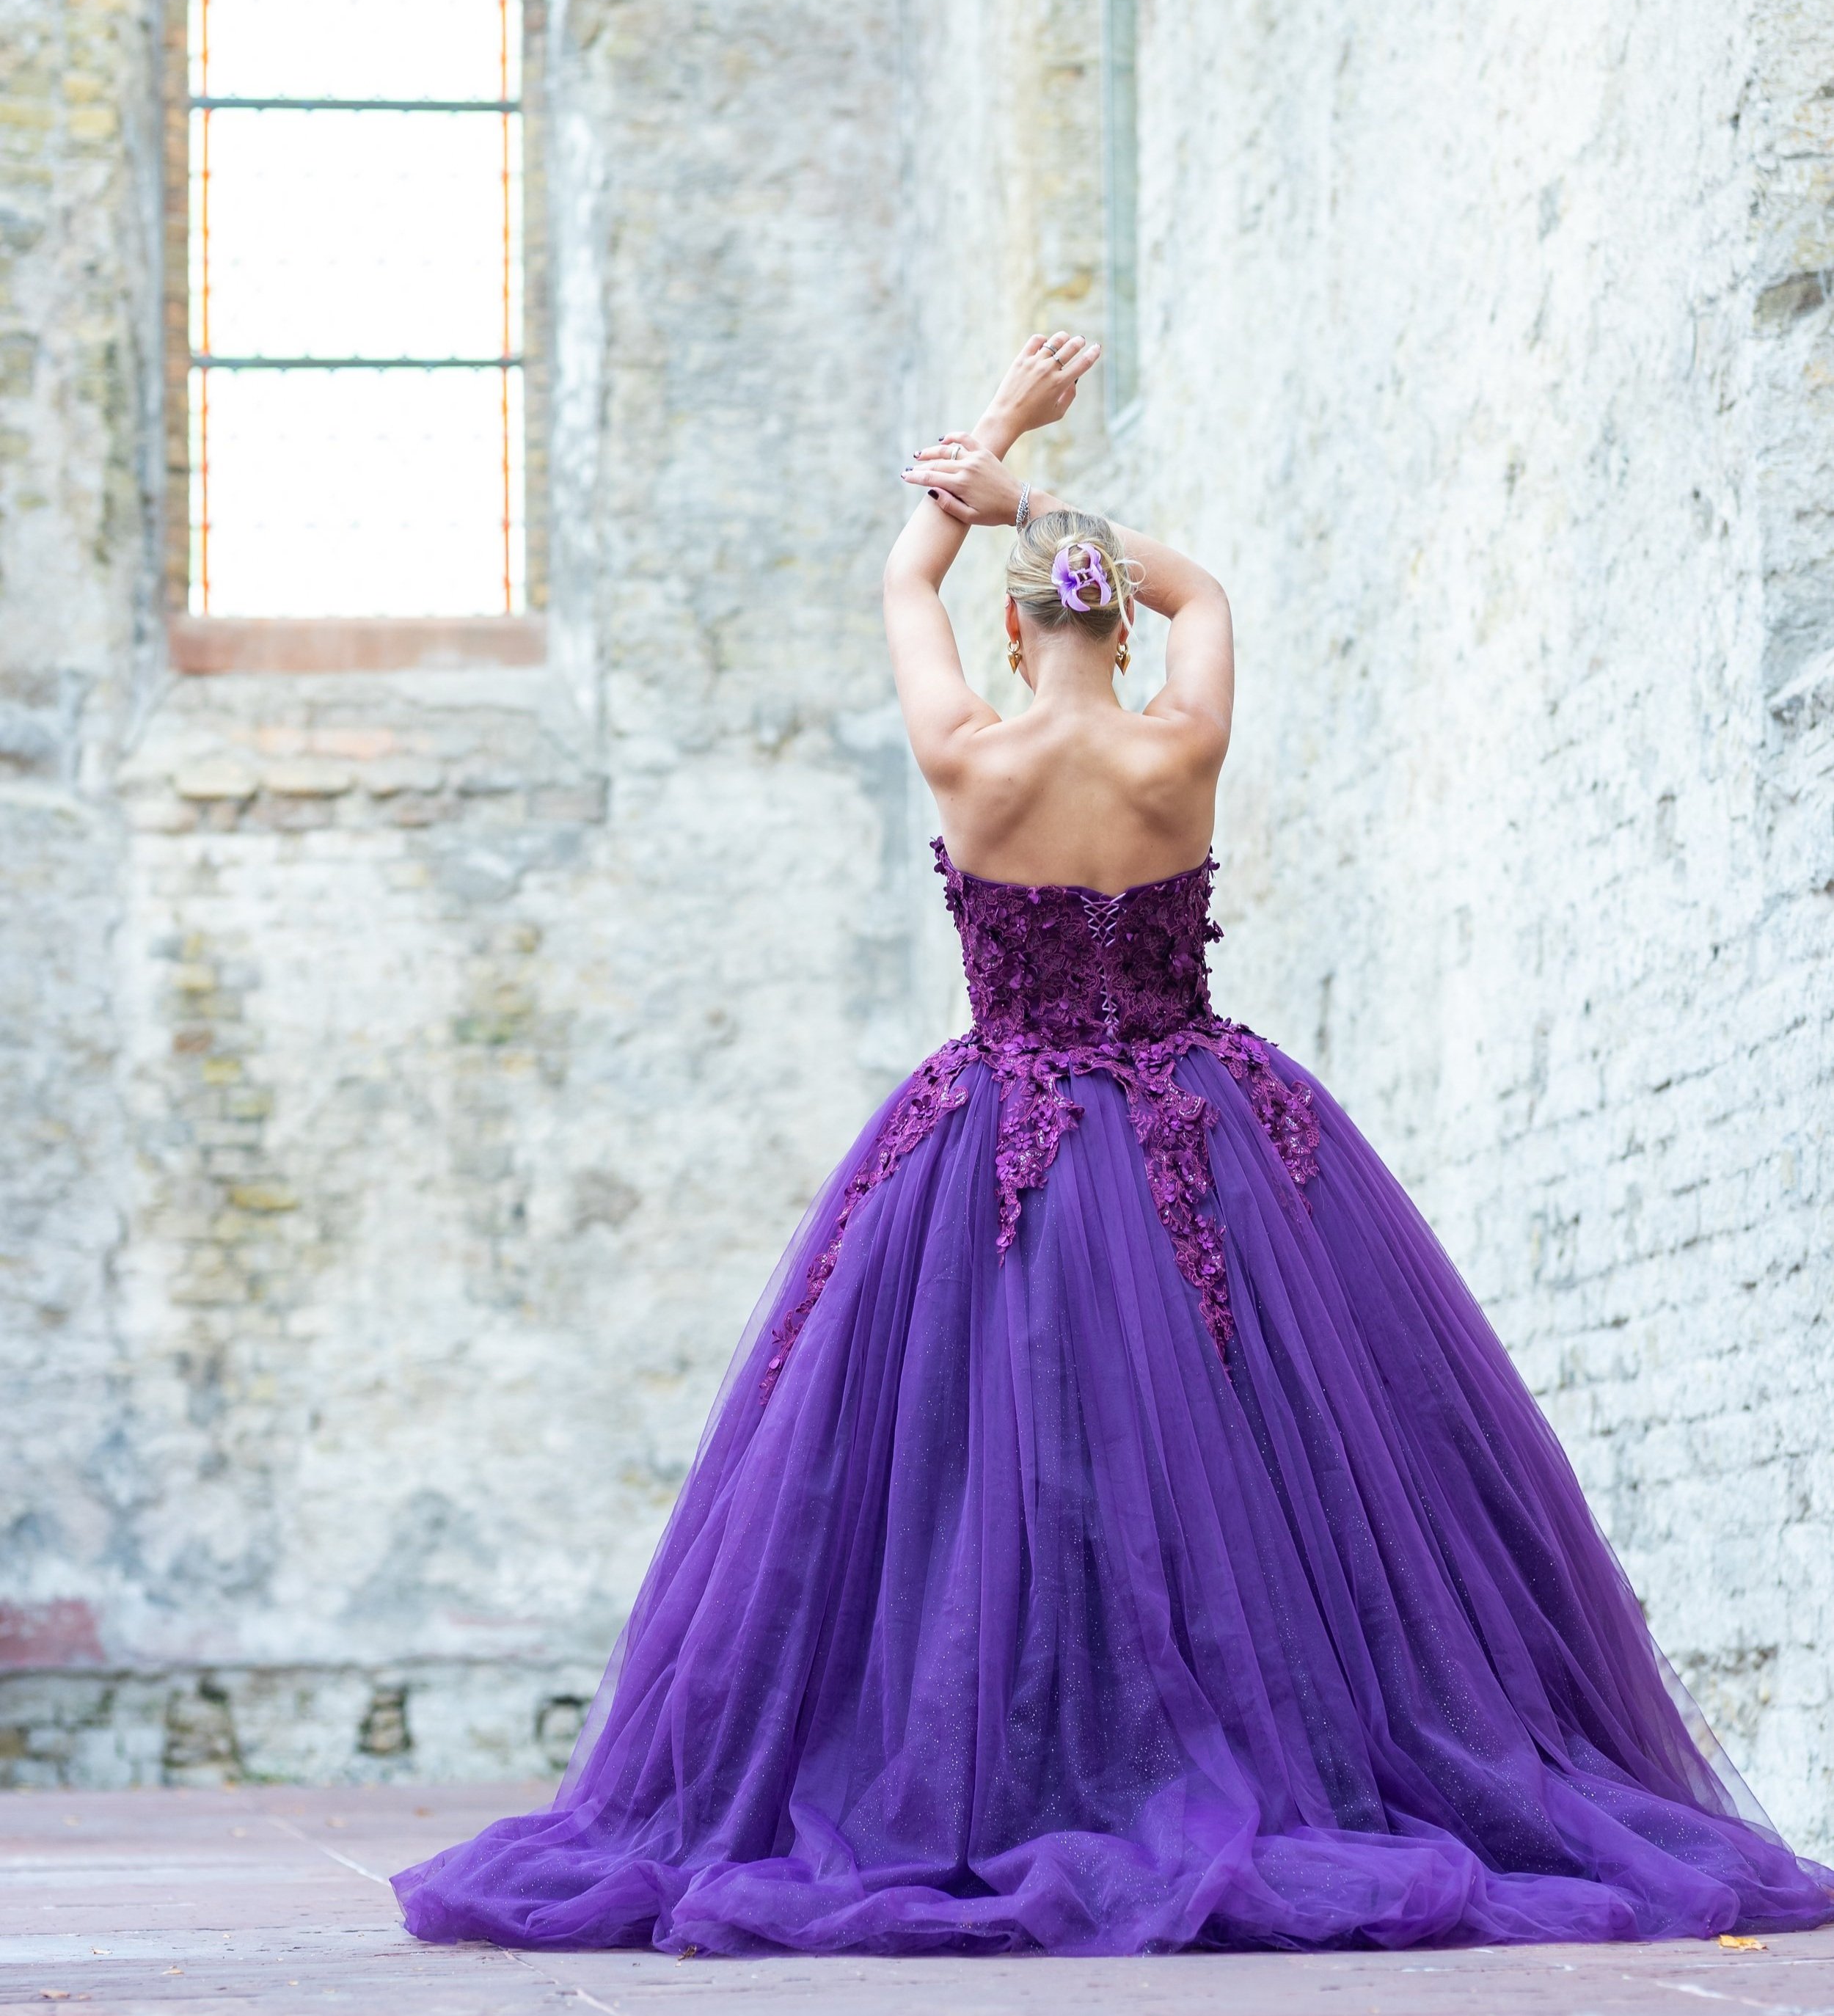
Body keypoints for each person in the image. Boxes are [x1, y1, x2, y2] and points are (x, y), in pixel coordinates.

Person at [395, 335, 1833, 1955]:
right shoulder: (1180, 744)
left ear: (1011, 628)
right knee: (1262, 1471)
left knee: (985, 1470)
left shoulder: (966, 749)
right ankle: (1274, 1744)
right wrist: (1041, 502)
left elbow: (902, 575)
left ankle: (1014, 1761)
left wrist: (992, 443)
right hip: (1203, 1135)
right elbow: (1202, 586)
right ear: (1115, 620)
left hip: (998, 1146)